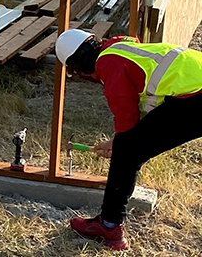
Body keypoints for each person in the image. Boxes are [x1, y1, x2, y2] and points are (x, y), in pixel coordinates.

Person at [56, 29, 202, 251]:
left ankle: (109, 226)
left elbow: (126, 117)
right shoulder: (122, 48)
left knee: (128, 151)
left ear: (79, 66)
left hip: (196, 98)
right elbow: (148, 109)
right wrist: (120, 141)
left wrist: (119, 143)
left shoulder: (108, 63)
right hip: (194, 87)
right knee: (128, 147)